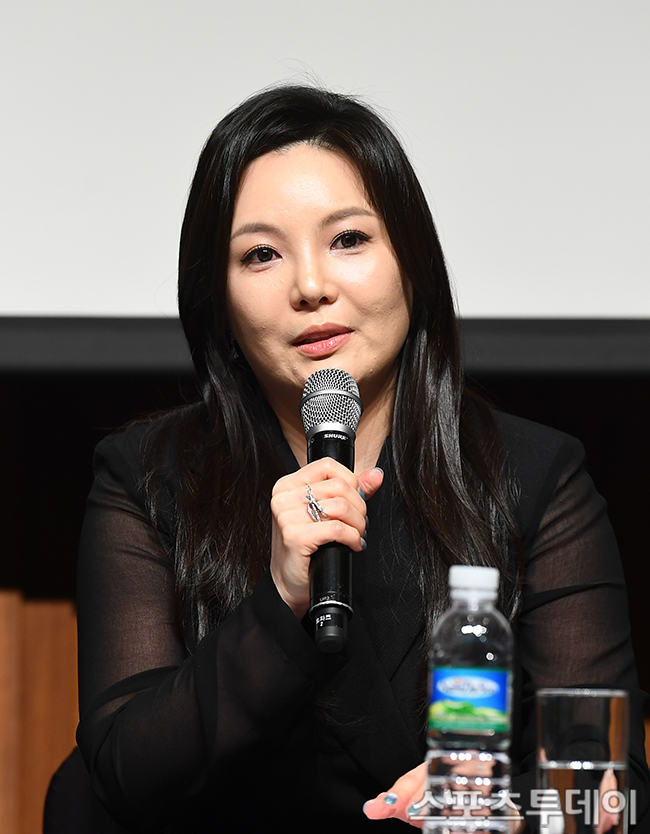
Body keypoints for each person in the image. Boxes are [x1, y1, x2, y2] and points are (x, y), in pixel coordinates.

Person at [74, 85, 650, 833]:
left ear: (412, 260)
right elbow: (121, 776)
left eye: (348, 239)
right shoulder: (148, 478)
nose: (312, 287)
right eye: (261, 254)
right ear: (218, 297)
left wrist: (498, 802)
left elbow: (610, 783)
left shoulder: (536, 474)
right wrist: (279, 602)